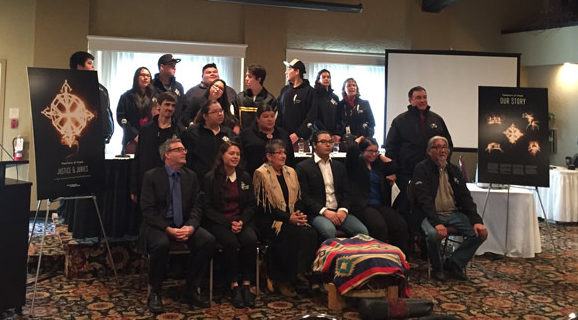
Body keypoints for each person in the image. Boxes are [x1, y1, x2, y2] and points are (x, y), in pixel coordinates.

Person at [140, 137, 216, 313]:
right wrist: (168, 229)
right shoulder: (152, 176)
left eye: (184, 149)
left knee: (208, 240)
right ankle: (155, 292)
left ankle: (191, 288)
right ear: (167, 155)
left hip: (185, 224)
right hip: (160, 226)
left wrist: (190, 227)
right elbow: (148, 211)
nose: (184, 152)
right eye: (179, 150)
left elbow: (198, 207)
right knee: (161, 244)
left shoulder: (191, 176)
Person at [412, 136, 487, 281]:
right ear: (429, 151)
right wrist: (436, 223)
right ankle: (437, 267)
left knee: (479, 233)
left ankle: (454, 263)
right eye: (437, 147)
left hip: (453, 213)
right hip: (428, 215)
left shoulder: (454, 170)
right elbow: (424, 201)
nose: (442, 150)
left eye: (444, 147)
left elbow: (465, 198)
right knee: (434, 234)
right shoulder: (421, 169)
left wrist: (477, 221)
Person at [253, 139, 318, 297]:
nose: (283, 156)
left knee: (310, 233)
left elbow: (298, 199)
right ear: (269, 156)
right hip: (270, 221)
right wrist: (288, 218)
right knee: (290, 235)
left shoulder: (291, 172)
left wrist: (298, 214)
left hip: (290, 217)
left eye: (284, 153)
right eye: (279, 153)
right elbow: (264, 207)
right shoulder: (261, 174)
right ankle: (281, 279)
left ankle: (299, 274)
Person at [385, 86, 453, 234]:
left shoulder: (437, 119)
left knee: (428, 206)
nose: (422, 100)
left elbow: (448, 144)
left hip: (432, 172)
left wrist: (443, 166)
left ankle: (425, 244)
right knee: (405, 206)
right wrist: (392, 171)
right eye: (418, 97)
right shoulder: (400, 120)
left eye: (424, 97)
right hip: (406, 172)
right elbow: (391, 148)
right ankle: (406, 242)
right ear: (410, 100)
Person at [202, 141, 257, 308]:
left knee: (250, 240)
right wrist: (228, 223)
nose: (235, 157)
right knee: (230, 243)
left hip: (240, 220)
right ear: (222, 156)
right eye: (231, 153)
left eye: (237, 154)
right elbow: (207, 208)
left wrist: (240, 221)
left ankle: (246, 284)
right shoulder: (211, 178)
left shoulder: (244, 177)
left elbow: (251, 205)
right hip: (219, 222)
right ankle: (233, 285)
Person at [296, 130, 368, 240]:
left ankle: (352, 257)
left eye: (330, 141)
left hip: (339, 211)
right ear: (314, 145)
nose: (328, 144)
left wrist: (343, 210)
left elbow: (347, 192)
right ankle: (330, 257)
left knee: (362, 231)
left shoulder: (339, 166)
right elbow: (304, 196)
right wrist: (324, 211)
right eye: (323, 142)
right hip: (318, 212)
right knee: (329, 231)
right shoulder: (303, 167)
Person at [345, 137, 409, 253]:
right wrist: (357, 140)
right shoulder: (356, 165)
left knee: (400, 224)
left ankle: (399, 258)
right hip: (363, 205)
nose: (374, 154)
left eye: (376, 151)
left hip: (379, 204)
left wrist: (379, 156)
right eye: (371, 151)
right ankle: (379, 258)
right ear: (362, 151)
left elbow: (393, 166)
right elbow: (351, 152)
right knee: (379, 226)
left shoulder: (377, 165)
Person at [130, 92, 186, 203]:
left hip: (171, 183)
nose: (170, 108)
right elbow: (138, 158)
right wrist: (134, 188)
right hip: (147, 182)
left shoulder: (180, 131)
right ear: (158, 106)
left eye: (173, 106)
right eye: (167, 104)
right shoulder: (146, 129)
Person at [181, 99, 236, 178]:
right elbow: (186, 158)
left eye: (221, 110)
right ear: (205, 116)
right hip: (198, 179)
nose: (220, 114)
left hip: (222, 179)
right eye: (214, 112)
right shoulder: (192, 133)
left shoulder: (229, 134)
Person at [69, 51, 114, 144]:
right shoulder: (69, 87)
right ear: (79, 66)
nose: (92, 67)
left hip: (100, 138)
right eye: (89, 63)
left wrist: (109, 131)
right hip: (79, 137)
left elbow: (107, 111)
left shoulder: (101, 88)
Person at [239, 104, 294, 176]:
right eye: (265, 116)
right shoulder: (246, 135)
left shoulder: (283, 135)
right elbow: (242, 160)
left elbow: (290, 158)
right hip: (254, 176)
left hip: (281, 176)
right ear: (257, 119)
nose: (270, 119)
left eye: (272, 116)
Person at [116, 66, 157, 154]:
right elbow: (121, 118)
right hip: (131, 140)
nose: (145, 78)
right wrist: (134, 135)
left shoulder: (156, 97)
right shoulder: (126, 97)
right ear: (136, 77)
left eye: (148, 76)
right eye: (142, 75)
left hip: (151, 139)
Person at [277, 59, 315, 147]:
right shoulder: (284, 90)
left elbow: (311, 116)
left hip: (302, 139)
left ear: (297, 71)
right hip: (283, 138)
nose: (286, 72)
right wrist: (278, 132)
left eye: (289, 69)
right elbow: (279, 114)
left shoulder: (310, 91)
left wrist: (298, 134)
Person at [234, 64, 277, 129]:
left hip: (262, 137)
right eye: (246, 76)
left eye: (249, 76)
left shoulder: (270, 100)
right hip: (243, 137)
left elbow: (272, 122)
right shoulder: (240, 98)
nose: (246, 79)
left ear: (259, 79)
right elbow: (235, 119)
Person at [312, 69, 341, 142]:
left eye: (328, 77)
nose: (326, 79)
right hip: (319, 134)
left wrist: (337, 133)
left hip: (334, 136)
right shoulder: (314, 95)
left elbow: (339, 117)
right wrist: (324, 132)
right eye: (324, 77)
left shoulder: (335, 97)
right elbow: (314, 117)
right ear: (318, 80)